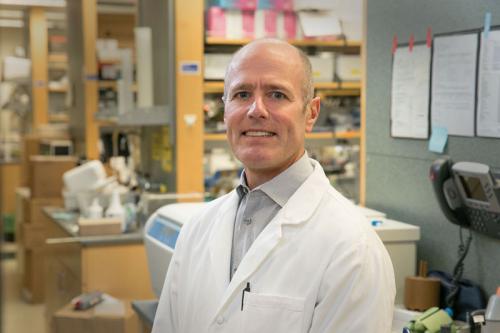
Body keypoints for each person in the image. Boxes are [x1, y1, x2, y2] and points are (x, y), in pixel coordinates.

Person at [152, 38, 395, 333]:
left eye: (277, 94)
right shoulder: (197, 229)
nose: (256, 110)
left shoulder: (353, 248)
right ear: (225, 109)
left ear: (311, 113)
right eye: (242, 94)